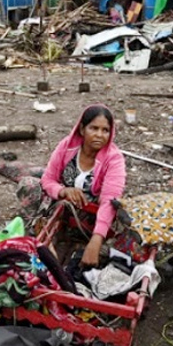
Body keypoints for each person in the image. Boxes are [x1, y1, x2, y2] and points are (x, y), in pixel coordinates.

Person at [40, 104, 126, 267]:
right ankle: (43, 229)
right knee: (29, 185)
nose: (99, 135)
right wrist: (63, 190)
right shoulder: (67, 147)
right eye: (93, 128)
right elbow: (48, 179)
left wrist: (97, 239)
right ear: (82, 129)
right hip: (64, 205)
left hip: (92, 215)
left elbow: (110, 201)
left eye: (105, 130)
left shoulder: (114, 159)